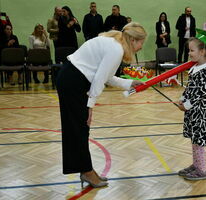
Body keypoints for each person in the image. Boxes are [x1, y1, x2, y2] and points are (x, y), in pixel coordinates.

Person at [56, 22, 147, 188]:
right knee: (79, 128)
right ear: (133, 40)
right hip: (73, 81)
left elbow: (106, 76)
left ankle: (86, 169)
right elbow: (99, 80)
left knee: (79, 128)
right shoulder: (116, 49)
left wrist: (129, 83)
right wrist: (90, 106)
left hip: (71, 78)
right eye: (141, 42)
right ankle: (87, 171)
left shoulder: (114, 44)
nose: (141, 47)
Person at [177, 31, 206, 181]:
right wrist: (182, 99)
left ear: (202, 52)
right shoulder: (195, 68)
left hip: (199, 111)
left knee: (199, 142)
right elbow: (190, 88)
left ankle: (202, 170)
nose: (189, 53)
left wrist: (186, 105)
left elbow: (200, 92)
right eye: (189, 50)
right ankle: (196, 164)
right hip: (192, 111)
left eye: (192, 50)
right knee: (194, 140)